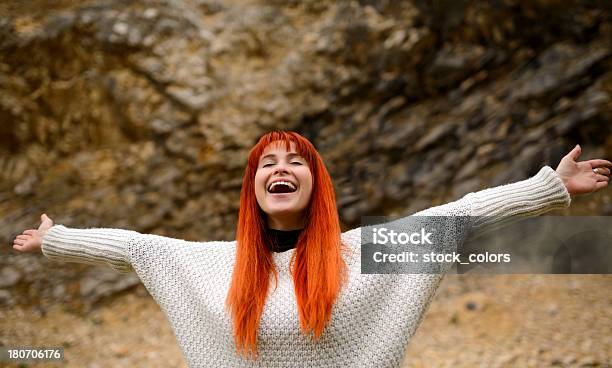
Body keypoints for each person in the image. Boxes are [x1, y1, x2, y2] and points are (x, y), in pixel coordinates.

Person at [12, 130, 611, 367]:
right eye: (267, 163)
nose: (282, 168)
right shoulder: (215, 263)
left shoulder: (365, 252)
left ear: (315, 183)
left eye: (295, 161)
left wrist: (550, 188)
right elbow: (138, 248)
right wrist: (58, 239)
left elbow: (454, 217)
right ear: (253, 187)